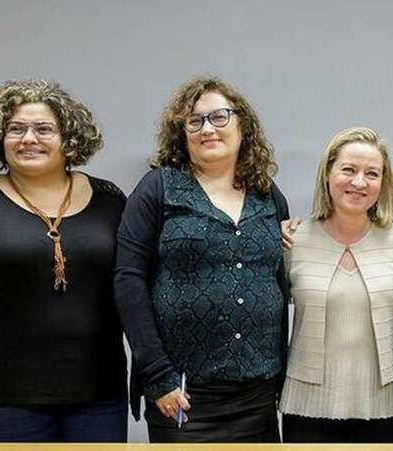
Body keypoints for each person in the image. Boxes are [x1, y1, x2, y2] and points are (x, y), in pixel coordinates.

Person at [0, 79, 128, 443]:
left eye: (44, 129)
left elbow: (138, 286)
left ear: (70, 138)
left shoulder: (110, 202)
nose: (28, 139)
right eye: (15, 129)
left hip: (99, 400)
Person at [114, 76, 290, 443]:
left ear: (243, 125)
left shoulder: (267, 194)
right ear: (182, 133)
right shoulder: (158, 188)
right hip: (182, 393)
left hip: (258, 392)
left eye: (219, 117)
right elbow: (128, 280)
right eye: (194, 121)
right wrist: (157, 375)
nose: (207, 129)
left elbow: (278, 276)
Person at [279, 127, 393, 443]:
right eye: (348, 170)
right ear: (327, 173)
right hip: (306, 407)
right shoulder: (293, 239)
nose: (359, 182)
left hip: (382, 408)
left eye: (372, 174)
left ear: (383, 182)